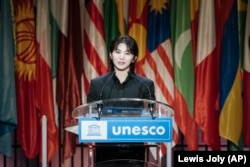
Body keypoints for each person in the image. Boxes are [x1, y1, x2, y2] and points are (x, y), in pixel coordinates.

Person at [87, 35, 156, 166]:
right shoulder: (97, 85)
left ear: (134, 58)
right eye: (118, 52)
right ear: (111, 55)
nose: (121, 57)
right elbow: (89, 115)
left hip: (135, 153)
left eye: (127, 53)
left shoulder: (146, 85)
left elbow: (151, 116)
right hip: (105, 152)